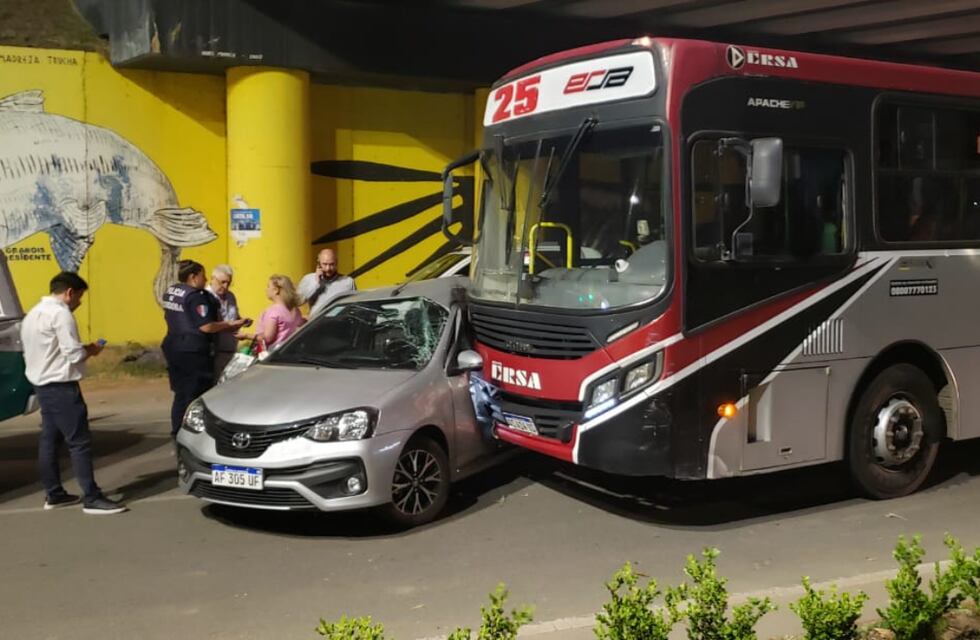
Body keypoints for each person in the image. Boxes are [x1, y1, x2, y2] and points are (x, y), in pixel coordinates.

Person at [20, 271, 126, 514]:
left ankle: (54, 493)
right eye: (79, 297)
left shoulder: (33, 314)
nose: (78, 303)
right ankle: (92, 496)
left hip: (42, 384)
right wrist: (91, 349)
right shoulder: (61, 315)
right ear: (69, 293)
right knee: (79, 442)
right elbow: (74, 354)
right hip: (61, 385)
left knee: (50, 439)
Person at [162, 260, 246, 437]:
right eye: (203, 275)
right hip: (192, 351)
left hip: (173, 345)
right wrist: (230, 324)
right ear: (193, 277)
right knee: (195, 395)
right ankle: (191, 433)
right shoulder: (196, 296)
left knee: (180, 394)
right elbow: (206, 326)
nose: (205, 278)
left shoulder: (172, 291)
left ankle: (177, 431)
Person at [239, 275, 306, 350]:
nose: (266, 289)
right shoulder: (296, 311)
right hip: (288, 352)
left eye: (268, 286)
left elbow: (268, 338)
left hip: (272, 354)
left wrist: (246, 336)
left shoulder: (273, 311)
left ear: (276, 290)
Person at [205, 264, 245, 379]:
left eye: (228, 283)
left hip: (230, 348)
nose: (225, 286)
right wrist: (230, 325)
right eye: (222, 282)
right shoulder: (205, 297)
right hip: (213, 351)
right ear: (212, 279)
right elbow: (207, 325)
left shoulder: (231, 296)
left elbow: (234, 316)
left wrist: (241, 321)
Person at [297, 248, 356, 316]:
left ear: (336, 263)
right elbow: (299, 302)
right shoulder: (308, 279)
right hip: (316, 323)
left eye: (331, 264)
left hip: (338, 322)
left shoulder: (347, 282)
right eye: (325, 264)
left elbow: (353, 306)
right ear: (319, 263)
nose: (328, 268)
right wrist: (316, 282)